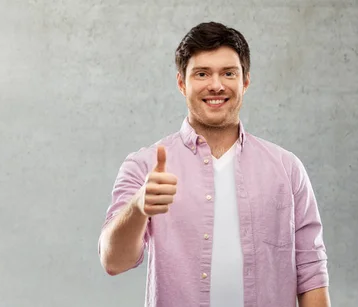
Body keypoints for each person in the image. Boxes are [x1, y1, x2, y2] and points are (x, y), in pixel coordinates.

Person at [97, 21, 330, 307]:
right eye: (202, 73)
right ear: (182, 83)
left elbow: (312, 275)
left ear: (245, 81)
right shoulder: (143, 166)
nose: (216, 85)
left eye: (228, 73)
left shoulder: (287, 169)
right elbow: (113, 261)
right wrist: (138, 206)